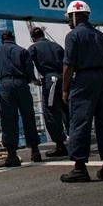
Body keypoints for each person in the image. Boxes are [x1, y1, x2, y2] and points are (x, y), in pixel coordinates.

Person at [59, 1, 103, 183]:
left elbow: (69, 65)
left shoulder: (73, 36)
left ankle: (80, 168)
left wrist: (65, 89)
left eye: (69, 18)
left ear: (77, 16)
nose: (68, 22)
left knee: (79, 123)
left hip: (84, 80)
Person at [0, 30, 41, 166]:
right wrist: (30, 79)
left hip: (5, 84)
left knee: (8, 119)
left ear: (2, 39)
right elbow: (29, 68)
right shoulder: (22, 51)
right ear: (13, 38)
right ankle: (35, 150)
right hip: (22, 84)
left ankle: (12, 155)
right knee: (28, 116)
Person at [28, 26, 69, 158]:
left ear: (33, 38)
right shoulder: (57, 46)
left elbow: (27, 63)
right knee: (67, 110)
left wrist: (32, 79)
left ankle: (60, 145)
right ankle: (75, 140)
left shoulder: (34, 48)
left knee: (51, 112)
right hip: (64, 79)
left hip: (50, 81)